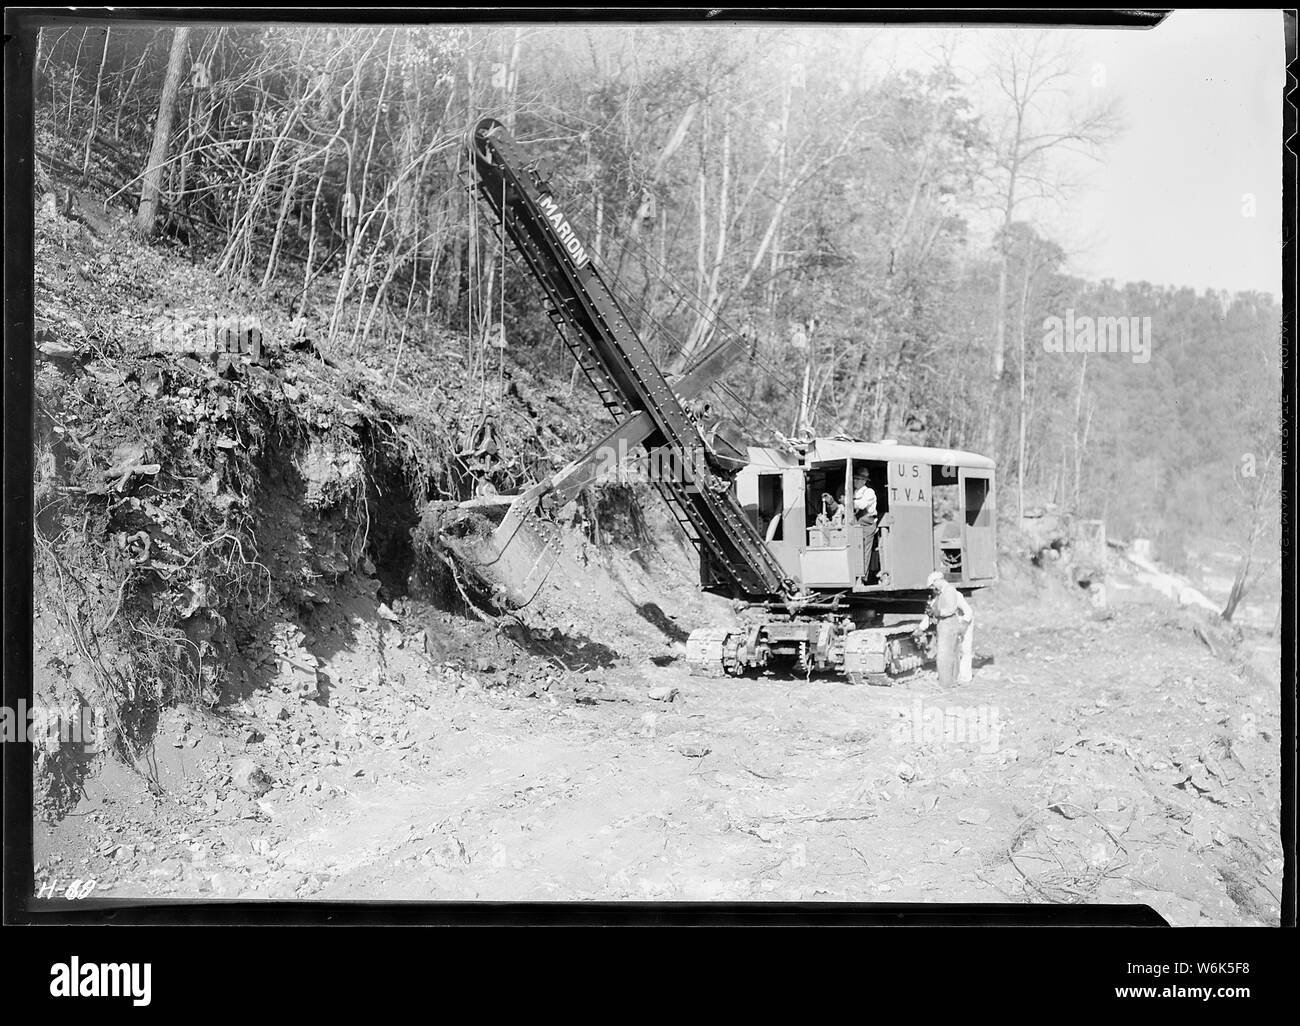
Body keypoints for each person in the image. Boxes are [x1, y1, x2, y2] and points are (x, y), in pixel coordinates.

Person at [914, 570, 973, 686]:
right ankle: (954, 678)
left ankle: (965, 678)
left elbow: (968, 611)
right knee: (953, 651)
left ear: (938, 581)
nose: (932, 588)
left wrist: (964, 625)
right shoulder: (939, 595)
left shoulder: (954, 593)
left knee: (965, 649)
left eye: (932, 585)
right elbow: (931, 614)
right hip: (952, 623)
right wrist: (921, 628)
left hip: (964, 619)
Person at [852, 470, 878, 579]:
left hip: (867, 524)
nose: (855, 481)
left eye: (858, 479)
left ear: (864, 481)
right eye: (855, 478)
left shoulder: (869, 492)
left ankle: (863, 576)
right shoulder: (854, 492)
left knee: (864, 552)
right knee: (855, 550)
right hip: (856, 523)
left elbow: (862, 505)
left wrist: (848, 502)